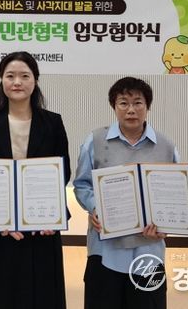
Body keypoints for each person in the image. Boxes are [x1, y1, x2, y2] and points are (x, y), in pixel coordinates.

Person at [0, 51, 71, 309]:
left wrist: (51, 215)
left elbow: (63, 171)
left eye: (24, 76)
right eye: (10, 76)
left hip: (41, 226)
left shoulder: (53, 122)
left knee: (41, 295)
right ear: (1, 80)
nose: (17, 82)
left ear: (35, 80)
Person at [73, 77, 180, 309]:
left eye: (138, 103)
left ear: (147, 106)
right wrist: (95, 207)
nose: (131, 110)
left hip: (148, 250)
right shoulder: (95, 140)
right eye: (123, 103)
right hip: (105, 250)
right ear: (114, 106)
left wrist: (166, 225)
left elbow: (175, 194)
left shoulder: (165, 145)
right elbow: (82, 184)